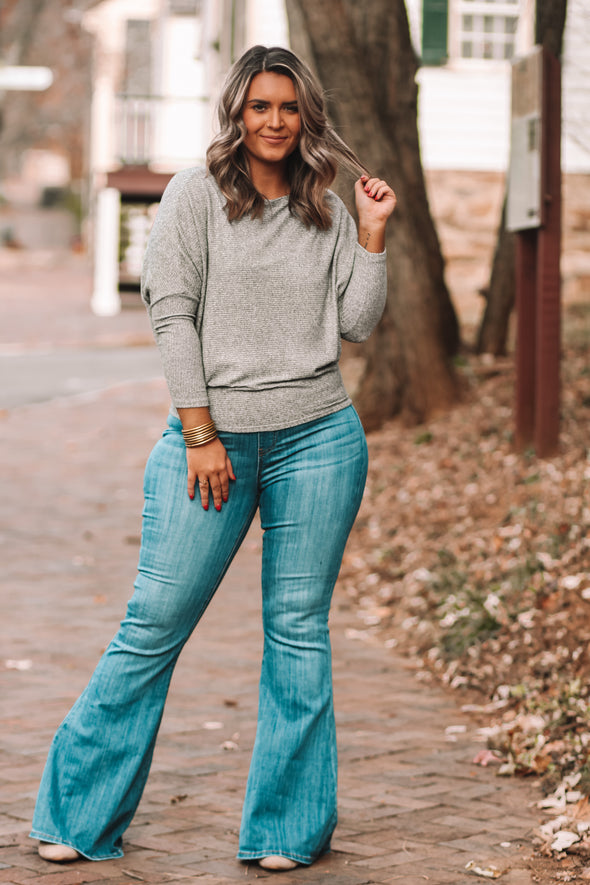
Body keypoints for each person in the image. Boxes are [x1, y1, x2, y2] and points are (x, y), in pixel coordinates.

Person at [30, 44, 396, 872]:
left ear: (308, 116)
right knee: (152, 626)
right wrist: (200, 434)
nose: (274, 121)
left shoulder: (330, 210)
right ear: (237, 111)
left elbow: (361, 324)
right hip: (212, 442)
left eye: (289, 107)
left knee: (297, 633)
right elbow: (173, 315)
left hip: (319, 437)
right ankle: (76, 817)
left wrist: (373, 235)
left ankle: (286, 830)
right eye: (260, 106)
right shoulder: (196, 194)